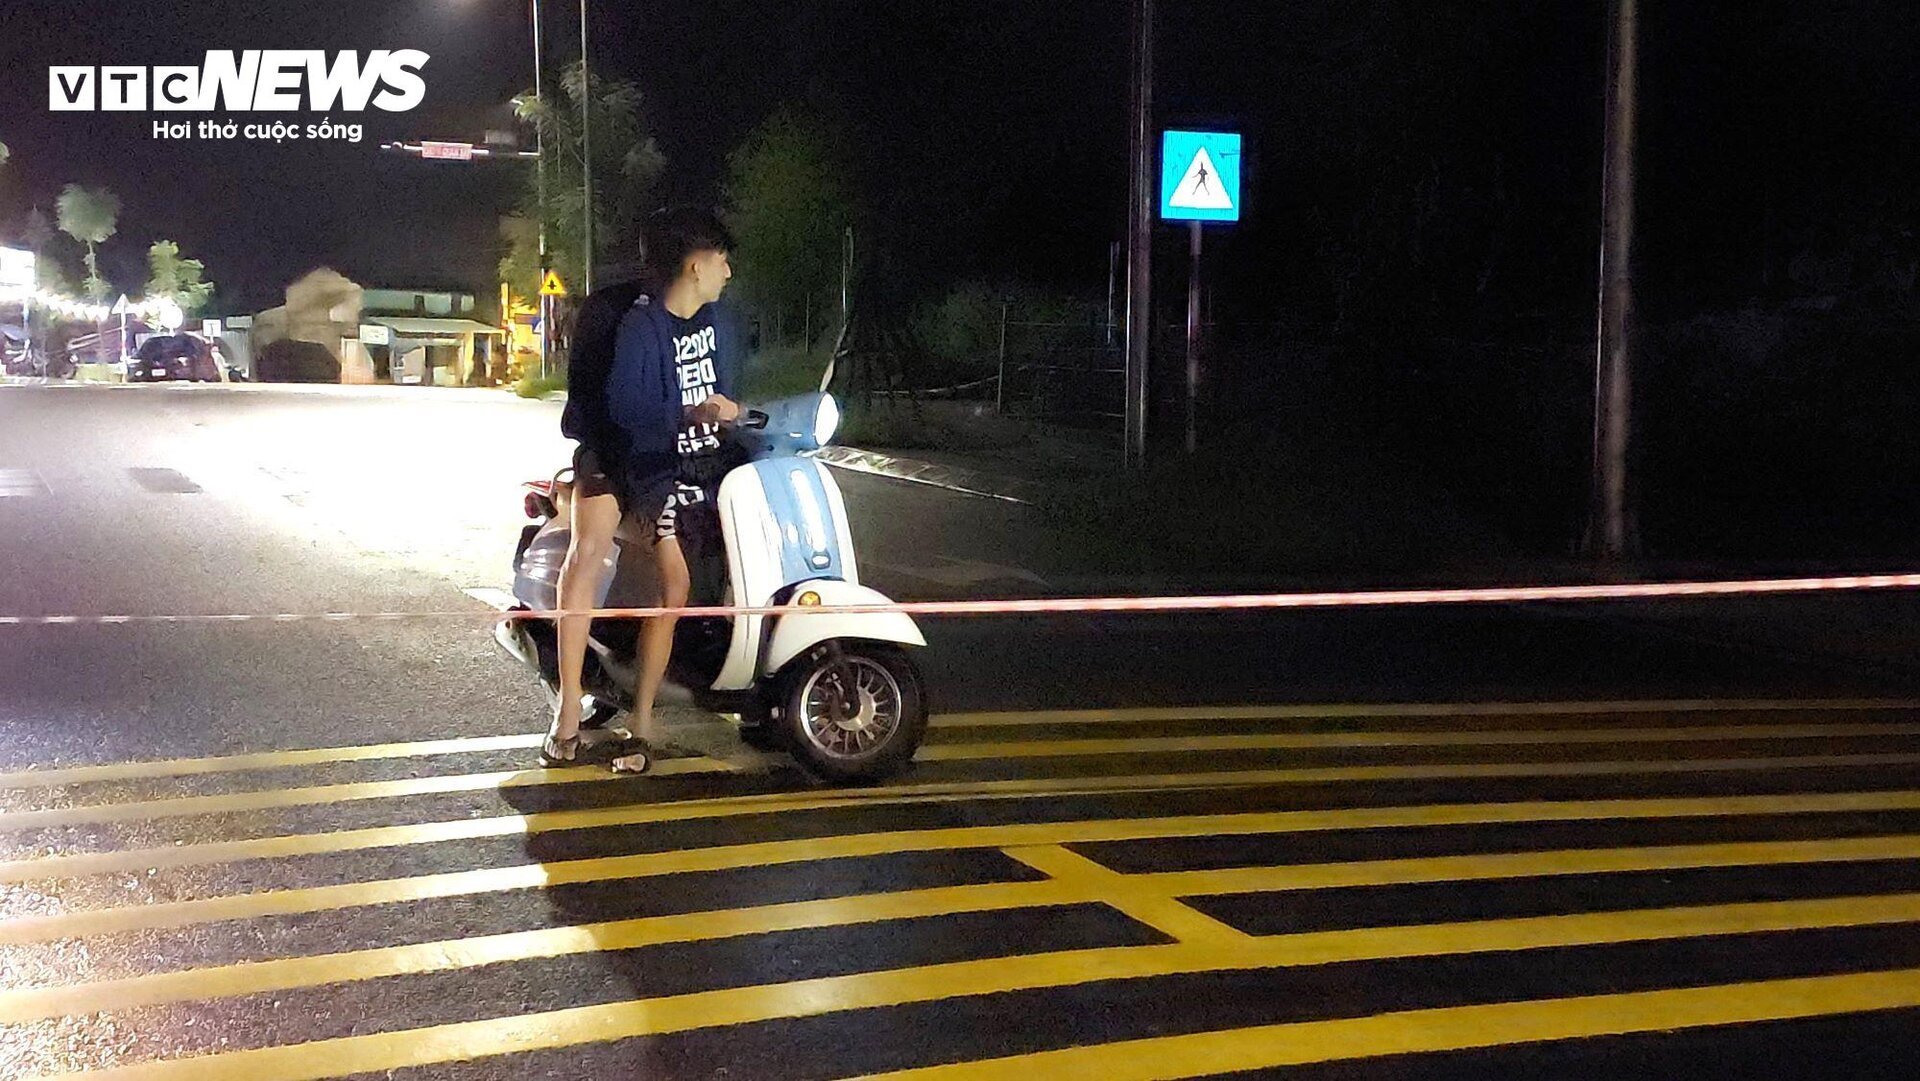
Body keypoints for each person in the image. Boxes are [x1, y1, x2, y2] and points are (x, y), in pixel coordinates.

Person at [602, 209, 744, 774]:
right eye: (722, 260)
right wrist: (687, 414)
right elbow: (624, 410)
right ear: (694, 264)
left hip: (712, 472)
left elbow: (734, 395)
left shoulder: (722, 324)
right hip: (655, 478)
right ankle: (640, 722)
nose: (728, 273)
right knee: (675, 586)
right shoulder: (642, 328)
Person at [540, 272, 649, 766]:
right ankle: (567, 712)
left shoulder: (702, 316)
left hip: (669, 461)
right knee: (585, 561)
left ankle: (643, 724)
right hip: (610, 458)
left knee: (677, 580)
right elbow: (585, 401)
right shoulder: (616, 308)